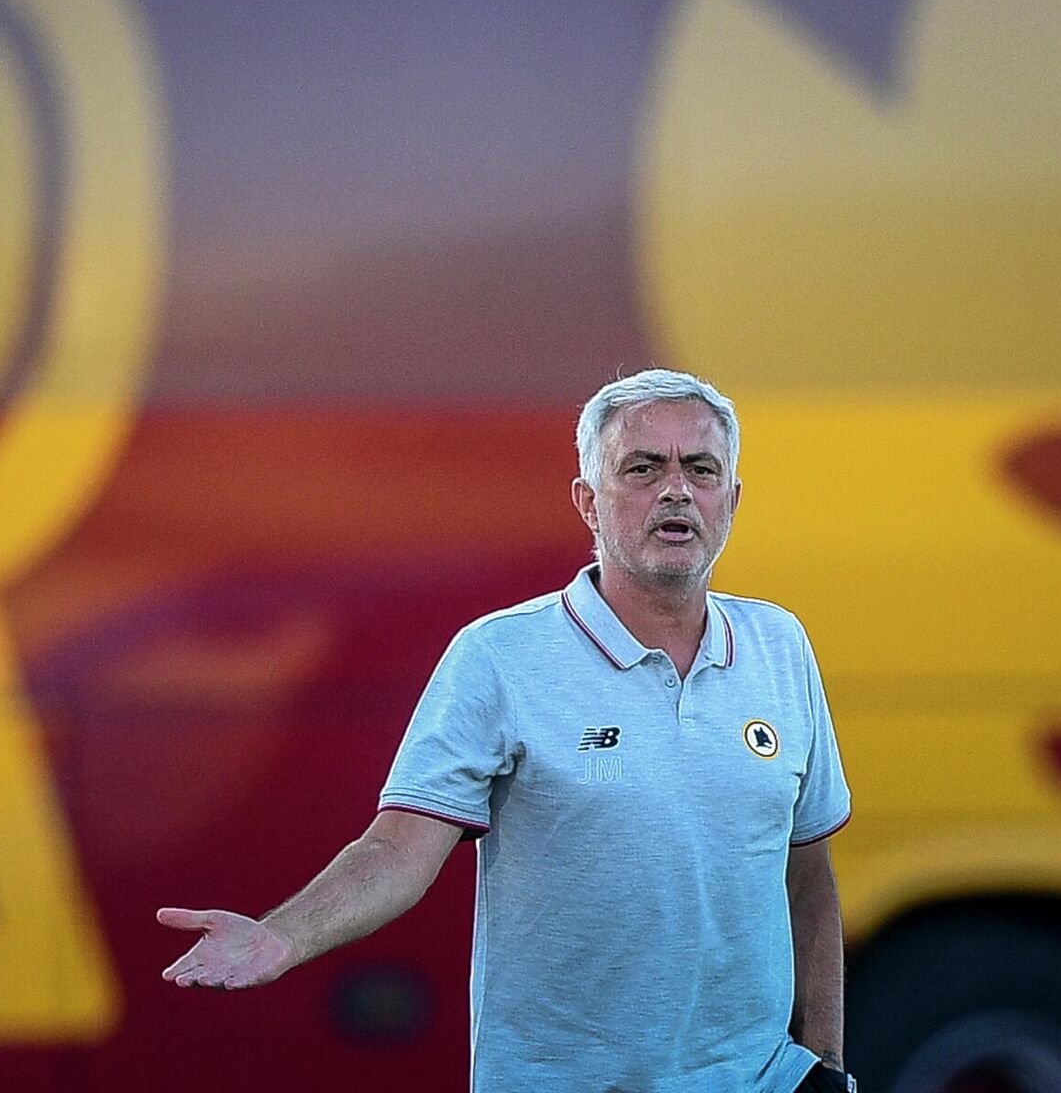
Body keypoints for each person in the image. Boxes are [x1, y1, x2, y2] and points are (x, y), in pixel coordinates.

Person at [158, 369, 855, 1093]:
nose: (675, 490)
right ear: (589, 502)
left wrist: (826, 1064)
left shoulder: (780, 646)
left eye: (700, 470)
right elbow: (398, 849)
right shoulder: (499, 657)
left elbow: (806, 877)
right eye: (643, 469)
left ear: (731, 501)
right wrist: (285, 934)